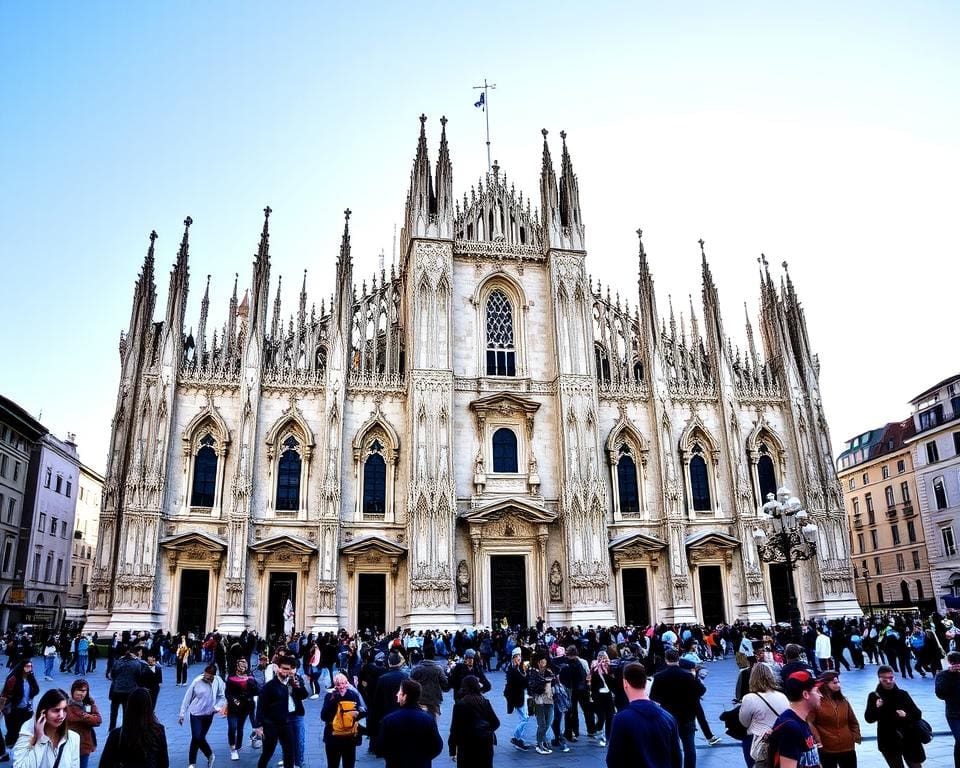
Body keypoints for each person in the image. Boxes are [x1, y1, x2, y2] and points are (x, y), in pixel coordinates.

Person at [605, 661, 681, 768]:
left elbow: (613, 760)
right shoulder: (668, 717)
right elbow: (676, 758)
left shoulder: (621, 719)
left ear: (625, 683)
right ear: (645, 683)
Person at [650, 649, 706, 768]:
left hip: (668, 715)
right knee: (689, 747)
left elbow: (653, 696)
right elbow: (701, 690)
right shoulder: (688, 676)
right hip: (687, 715)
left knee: (672, 747)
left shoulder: (659, 677)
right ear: (678, 659)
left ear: (666, 660)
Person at [865, 665, 926, 768]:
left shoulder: (903, 694)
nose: (888, 681)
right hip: (888, 740)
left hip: (908, 738)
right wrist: (876, 708)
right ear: (879, 679)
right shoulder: (874, 696)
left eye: (891, 678)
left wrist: (906, 715)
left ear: (894, 677)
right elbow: (869, 719)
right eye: (885, 679)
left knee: (915, 766)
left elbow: (917, 714)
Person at [376, 679, 443, 768]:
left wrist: (392, 758)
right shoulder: (427, 719)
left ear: (405, 696)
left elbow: (381, 747)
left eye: (399, 692)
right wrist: (424, 758)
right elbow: (437, 746)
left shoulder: (389, 720)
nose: (397, 694)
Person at [98, 687, 170, 768]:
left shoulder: (117, 734)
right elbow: (163, 762)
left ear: (129, 706)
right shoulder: (158, 731)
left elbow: (104, 764)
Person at [12, 688, 80, 768]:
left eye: (64, 709)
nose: (61, 715)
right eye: (56, 710)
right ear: (43, 712)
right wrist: (40, 740)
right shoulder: (28, 734)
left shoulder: (73, 738)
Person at [768, 670, 822, 768]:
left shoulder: (801, 720)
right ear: (806, 694)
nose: (820, 695)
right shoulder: (790, 728)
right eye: (817, 691)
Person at [738, 662, 788, 768]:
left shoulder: (749, 698)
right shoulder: (782, 696)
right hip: (779, 738)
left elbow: (744, 722)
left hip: (757, 740)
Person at [253, 654, 300, 768]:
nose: (285, 671)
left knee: (290, 752)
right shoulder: (269, 686)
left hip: (285, 723)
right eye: (283, 668)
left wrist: (295, 684)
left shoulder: (292, 682)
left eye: (288, 669)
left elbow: (303, 695)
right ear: (278, 668)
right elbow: (261, 705)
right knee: (268, 752)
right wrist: (259, 726)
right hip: (271, 725)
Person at [178, 663, 227, 768]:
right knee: (196, 736)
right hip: (196, 712)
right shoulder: (197, 681)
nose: (205, 676)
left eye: (208, 675)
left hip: (209, 714)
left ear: (213, 675)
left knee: (199, 738)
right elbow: (188, 697)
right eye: (205, 674)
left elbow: (222, 697)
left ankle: (196, 761)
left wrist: (217, 707)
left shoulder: (218, 681)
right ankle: (204, 757)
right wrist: (182, 713)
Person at [809, 672, 860, 768]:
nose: (838, 685)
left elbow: (853, 721)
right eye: (835, 683)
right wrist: (818, 740)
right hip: (827, 748)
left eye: (838, 682)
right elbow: (810, 722)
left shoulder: (844, 701)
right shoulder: (817, 702)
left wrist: (855, 735)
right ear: (825, 684)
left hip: (847, 746)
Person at [448, 675, 500, 768]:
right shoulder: (485, 702)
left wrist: (452, 749)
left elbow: (454, 729)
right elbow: (496, 722)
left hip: (466, 745)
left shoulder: (460, 705)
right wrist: (486, 731)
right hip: (485, 744)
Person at [321, 672, 366, 768]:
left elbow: (363, 712)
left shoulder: (353, 695)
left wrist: (357, 714)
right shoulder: (330, 696)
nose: (341, 686)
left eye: (343, 683)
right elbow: (324, 716)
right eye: (338, 684)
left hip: (348, 737)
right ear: (335, 685)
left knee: (348, 764)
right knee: (333, 764)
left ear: (347, 683)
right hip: (334, 736)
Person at [367, 651, 408, 753]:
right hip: (402, 711)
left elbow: (377, 700)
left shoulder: (382, 679)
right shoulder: (406, 677)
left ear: (389, 663)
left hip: (387, 711)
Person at [225, 656, 259, 761]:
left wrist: (253, 686)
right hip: (233, 708)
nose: (243, 665)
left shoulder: (250, 678)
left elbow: (256, 691)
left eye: (245, 663)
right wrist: (235, 701)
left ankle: (238, 746)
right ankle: (233, 749)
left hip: (246, 708)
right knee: (232, 727)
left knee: (240, 728)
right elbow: (228, 693)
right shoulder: (231, 679)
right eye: (241, 663)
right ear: (236, 666)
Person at [2, 660, 40, 749]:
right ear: (21, 667)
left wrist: (32, 677)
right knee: (12, 731)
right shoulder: (13, 679)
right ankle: (8, 750)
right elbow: (5, 694)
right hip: (14, 710)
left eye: (30, 666)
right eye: (27, 666)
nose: (29, 668)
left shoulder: (30, 678)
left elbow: (36, 690)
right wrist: (2, 707)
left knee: (24, 731)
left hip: (26, 709)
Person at [64, 679, 102, 768]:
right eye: (79, 690)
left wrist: (88, 717)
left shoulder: (89, 703)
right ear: (73, 690)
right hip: (69, 743)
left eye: (84, 691)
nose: (82, 693)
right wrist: (84, 717)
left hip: (84, 743)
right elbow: (70, 718)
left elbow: (98, 720)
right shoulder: (66, 704)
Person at [107, 645, 144, 729]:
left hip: (116, 689)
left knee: (114, 711)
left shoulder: (117, 662)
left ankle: (111, 728)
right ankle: (125, 728)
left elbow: (113, 675)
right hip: (129, 691)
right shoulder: (136, 664)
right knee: (126, 711)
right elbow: (138, 677)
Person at [410, 645, 450, 720]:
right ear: (434, 655)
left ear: (424, 654)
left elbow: (410, 683)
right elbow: (445, 685)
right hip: (433, 702)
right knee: (433, 726)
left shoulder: (416, 669)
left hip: (419, 701)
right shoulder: (438, 669)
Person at [935, 650, 960, 768]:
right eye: (954, 663)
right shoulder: (942, 675)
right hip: (954, 714)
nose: (956, 665)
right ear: (949, 663)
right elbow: (940, 693)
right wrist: (950, 675)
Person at [527, 652, 555, 755]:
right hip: (539, 701)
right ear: (539, 662)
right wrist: (545, 683)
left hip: (549, 699)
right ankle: (540, 744)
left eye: (546, 661)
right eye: (543, 661)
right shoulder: (533, 673)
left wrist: (550, 678)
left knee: (548, 722)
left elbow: (555, 680)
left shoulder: (548, 671)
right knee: (542, 724)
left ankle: (542, 741)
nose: (545, 663)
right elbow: (533, 687)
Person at [503, 647, 531, 750]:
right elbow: (523, 682)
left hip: (520, 695)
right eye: (516, 657)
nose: (518, 658)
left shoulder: (517, 667)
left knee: (524, 717)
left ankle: (518, 738)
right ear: (513, 658)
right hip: (517, 697)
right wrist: (526, 673)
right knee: (524, 718)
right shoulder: (513, 670)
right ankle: (516, 737)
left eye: (519, 656)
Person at [590, 650, 615, 747]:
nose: (602, 660)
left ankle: (608, 737)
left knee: (610, 716)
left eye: (604, 657)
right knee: (601, 717)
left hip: (608, 694)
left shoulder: (610, 667)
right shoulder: (595, 667)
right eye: (600, 657)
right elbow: (592, 682)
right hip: (598, 695)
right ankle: (598, 731)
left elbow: (613, 680)